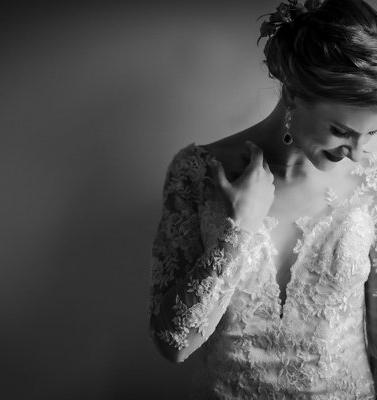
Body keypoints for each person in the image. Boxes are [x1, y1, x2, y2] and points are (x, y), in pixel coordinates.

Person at [149, 0, 377, 398]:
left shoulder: (371, 181)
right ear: (293, 94)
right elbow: (173, 344)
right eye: (341, 130)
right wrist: (237, 231)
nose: (358, 153)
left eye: (372, 134)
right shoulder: (197, 173)